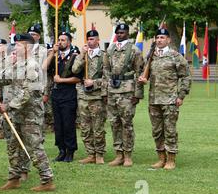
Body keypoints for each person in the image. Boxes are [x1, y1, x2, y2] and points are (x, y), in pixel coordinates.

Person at [0, 33, 55, 192]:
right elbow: (4, 79)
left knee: (35, 147)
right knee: (13, 146)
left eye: (19, 45)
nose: (15, 48)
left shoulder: (32, 65)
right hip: (17, 113)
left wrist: (8, 106)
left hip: (30, 114)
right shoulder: (18, 64)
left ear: (28, 47)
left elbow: (27, 92)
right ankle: (14, 178)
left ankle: (47, 180)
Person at [138, 28, 191, 170]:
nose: (159, 40)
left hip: (170, 100)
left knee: (170, 130)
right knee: (156, 131)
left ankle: (171, 159)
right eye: (157, 37)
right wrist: (143, 79)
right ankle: (161, 158)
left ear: (168, 40)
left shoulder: (175, 56)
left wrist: (181, 96)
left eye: (162, 37)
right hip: (154, 100)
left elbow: (185, 76)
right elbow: (144, 74)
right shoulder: (151, 57)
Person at [104, 23, 144, 167]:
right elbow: (105, 70)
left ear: (127, 33)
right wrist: (105, 91)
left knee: (126, 123)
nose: (120, 35)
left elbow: (140, 73)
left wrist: (137, 94)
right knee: (114, 123)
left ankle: (128, 155)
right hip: (112, 91)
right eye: (118, 33)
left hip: (127, 91)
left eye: (122, 32)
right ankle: (118, 154)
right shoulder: (110, 49)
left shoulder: (134, 50)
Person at [43, 32, 82, 162]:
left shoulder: (74, 57)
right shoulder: (55, 56)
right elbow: (44, 68)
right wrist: (51, 53)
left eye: (63, 40)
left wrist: (61, 81)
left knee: (68, 124)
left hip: (68, 94)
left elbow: (78, 78)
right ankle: (61, 150)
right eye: (59, 40)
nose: (60, 42)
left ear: (69, 42)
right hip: (56, 94)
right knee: (58, 124)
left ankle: (70, 151)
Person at [72, 30, 107, 164]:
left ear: (98, 40)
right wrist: (82, 54)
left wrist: (95, 83)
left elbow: (108, 78)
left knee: (98, 127)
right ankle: (90, 153)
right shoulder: (82, 55)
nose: (90, 41)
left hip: (96, 96)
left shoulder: (104, 56)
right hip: (83, 96)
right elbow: (75, 70)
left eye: (93, 39)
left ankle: (99, 154)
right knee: (85, 127)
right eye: (88, 39)